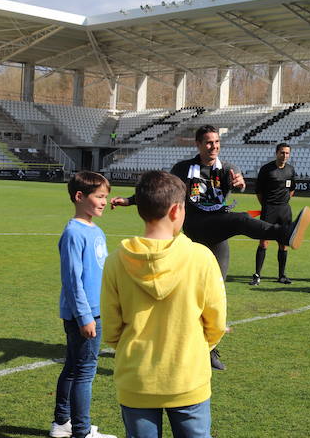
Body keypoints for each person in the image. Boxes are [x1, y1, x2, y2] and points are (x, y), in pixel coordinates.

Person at [111, 125, 310, 370]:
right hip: (197, 225)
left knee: (215, 293)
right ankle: (284, 233)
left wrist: (238, 183)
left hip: (217, 232)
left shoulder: (226, 168)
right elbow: (160, 192)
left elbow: (238, 182)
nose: (213, 147)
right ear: (198, 144)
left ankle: (208, 350)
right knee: (241, 220)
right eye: (208, 143)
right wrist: (129, 200)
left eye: (216, 142)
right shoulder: (183, 169)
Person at [101, 171, 226, 438]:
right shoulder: (201, 257)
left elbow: (111, 329)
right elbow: (216, 324)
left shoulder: (115, 261)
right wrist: (194, 348)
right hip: (188, 377)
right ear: (175, 210)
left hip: (137, 379)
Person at [51, 171, 117, 438]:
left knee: (73, 367)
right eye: (99, 196)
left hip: (94, 310)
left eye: (105, 197)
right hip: (86, 315)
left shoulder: (95, 230)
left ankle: (62, 423)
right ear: (80, 197)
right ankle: (81, 431)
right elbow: (72, 280)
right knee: (85, 373)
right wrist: (85, 316)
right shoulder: (73, 233)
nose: (104, 202)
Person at [251, 143, 297, 286]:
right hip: (269, 210)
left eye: (287, 153)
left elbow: (292, 190)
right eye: (282, 153)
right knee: (264, 243)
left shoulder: (291, 170)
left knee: (283, 244)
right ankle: (257, 275)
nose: (285, 156)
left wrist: (284, 202)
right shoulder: (266, 169)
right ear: (276, 153)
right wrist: (266, 206)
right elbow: (258, 192)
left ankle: (281, 275)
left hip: (284, 211)